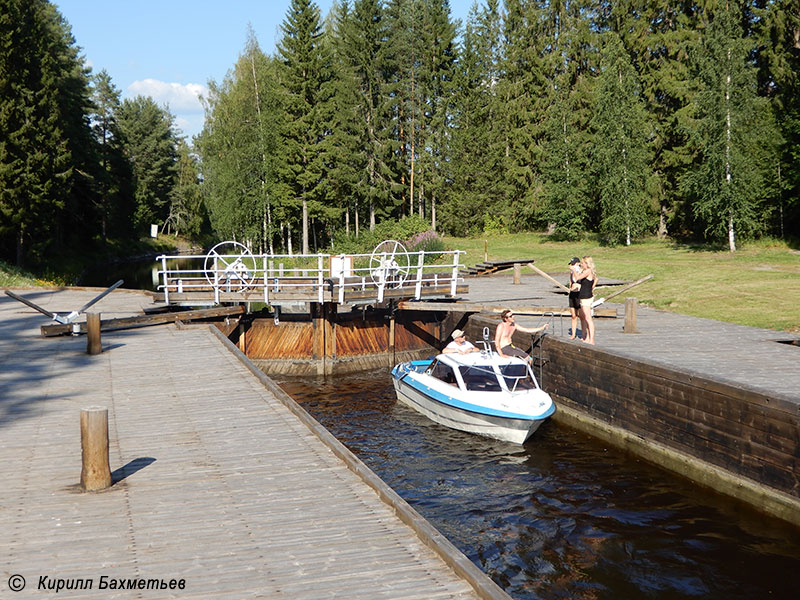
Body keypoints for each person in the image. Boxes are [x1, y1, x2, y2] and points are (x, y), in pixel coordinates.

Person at [573, 256, 597, 344]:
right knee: (585, 318)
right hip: (583, 296)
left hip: (587, 297)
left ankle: (592, 339)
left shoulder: (588, 271)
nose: (581, 264)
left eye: (583, 263)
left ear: (587, 263)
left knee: (588, 318)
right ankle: (587, 337)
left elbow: (578, 278)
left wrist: (574, 270)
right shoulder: (585, 271)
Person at [567, 257, 586, 340]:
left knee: (582, 316)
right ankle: (573, 334)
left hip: (580, 294)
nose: (572, 266)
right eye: (571, 264)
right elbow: (571, 281)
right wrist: (570, 287)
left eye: (574, 264)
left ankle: (583, 334)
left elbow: (579, 279)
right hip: (572, 294)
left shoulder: (582, 272)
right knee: (573, 315)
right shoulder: (571, 273)